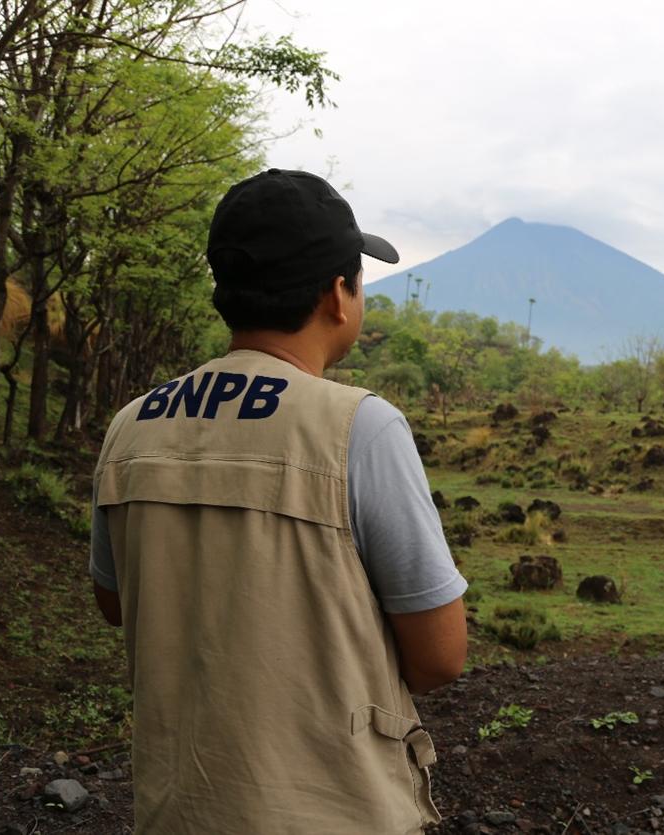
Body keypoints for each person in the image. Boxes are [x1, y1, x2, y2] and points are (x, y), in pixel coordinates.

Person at [89, 168, 468, 834]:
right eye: (357, 279)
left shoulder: (131, 424)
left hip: (177, 811)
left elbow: (117, 602)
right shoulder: (360, 427)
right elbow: (439, 656)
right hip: (334, 810)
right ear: (336, 295)